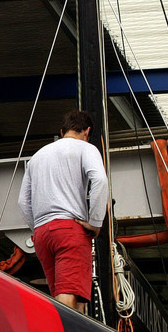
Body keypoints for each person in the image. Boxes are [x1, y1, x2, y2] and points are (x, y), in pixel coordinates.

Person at [19, 110, 108, 313]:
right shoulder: (86, 148)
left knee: (66, 296)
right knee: (70, 294)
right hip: (69, 229)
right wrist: (95, 222)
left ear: (62, 131)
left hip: (42, 233)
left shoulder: (37, 157)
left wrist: (37, 227)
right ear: (87, 131)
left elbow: (23, 202)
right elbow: (100, 181)